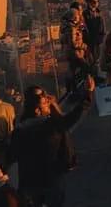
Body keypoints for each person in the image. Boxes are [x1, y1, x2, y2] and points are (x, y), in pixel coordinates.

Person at [10, 77, 96, 207]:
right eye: (44, 102)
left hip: (30, 182)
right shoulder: (50, 126)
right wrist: (88, 92)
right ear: (37, 109)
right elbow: (72, 117)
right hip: (51, 179)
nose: (48, 103)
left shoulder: (20, 128)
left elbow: (13, 154)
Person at [83, 0, 107, 64]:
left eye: (97, 1)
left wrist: (102, 35)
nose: (96, 3)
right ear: (88, 2)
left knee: (99, 58)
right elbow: (85, 28)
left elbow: (103, 26)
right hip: (91, 41)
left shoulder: (99, 12)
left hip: (99, 39)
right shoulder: (85, 14)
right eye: (94, 2)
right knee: (92, 59)